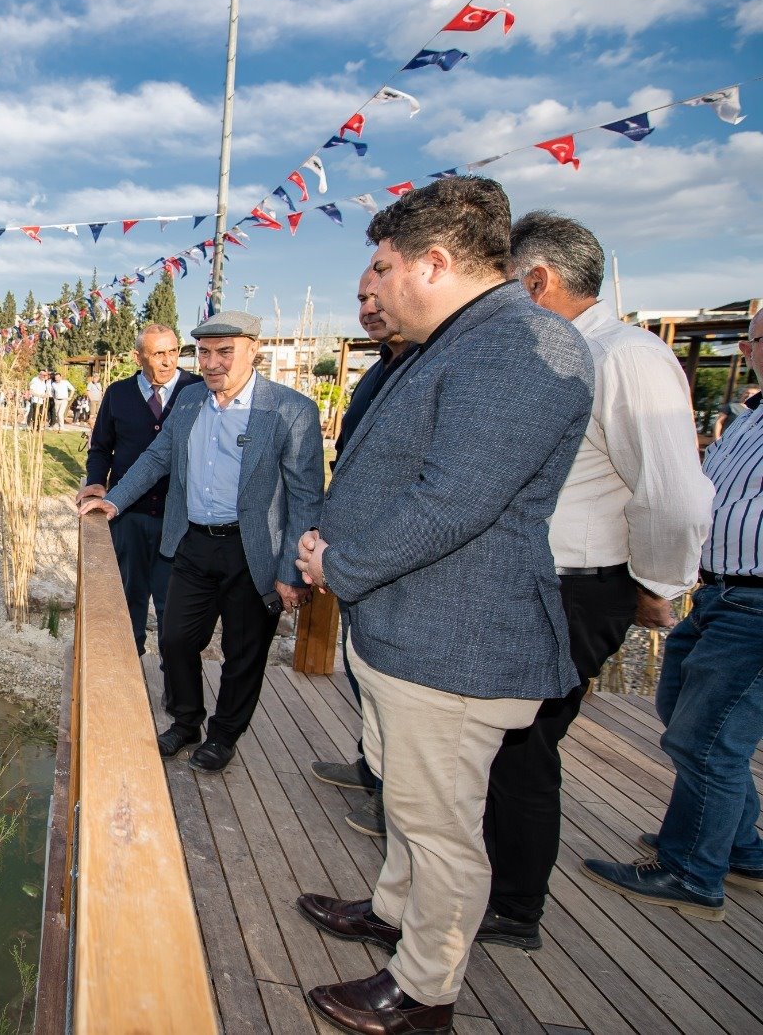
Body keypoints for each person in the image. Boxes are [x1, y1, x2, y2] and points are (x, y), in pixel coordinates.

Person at [292, 176, 593, 1035]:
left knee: (441, 827)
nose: (374, 291)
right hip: (407, 630)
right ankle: (394, 912)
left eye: (382, 270)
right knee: (406, 799)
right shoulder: (462, 340)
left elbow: (451, 503)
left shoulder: (524, 346)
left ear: (433, 262)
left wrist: (338, 564)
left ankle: (424, 990)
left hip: (454, 638)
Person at [472, 212, 713, 950]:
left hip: (574, 585)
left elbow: (673, 494)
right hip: (540, 582)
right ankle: (491, 885)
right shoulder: (565, 352)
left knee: (523, 746)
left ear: (537, 281)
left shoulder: (626, 357)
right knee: (499, 742)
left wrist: (657, 583)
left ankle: (514, 908)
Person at [80, 310, 323, 773]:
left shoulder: (291, 410)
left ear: (254, 350)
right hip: (192, 543)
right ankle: (186, 721)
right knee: (175, 638)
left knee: (243, 651)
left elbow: (307, 497)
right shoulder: (190, 402)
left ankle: (224, 736)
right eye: (206, 352)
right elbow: (156, 458)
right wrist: (113, 502)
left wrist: (293, 572)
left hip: (254, 552)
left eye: (224, 352)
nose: (212, 363)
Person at [582, 307, 763, 921]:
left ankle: (693, 870)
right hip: (719, 592)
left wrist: (657, 579)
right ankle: (736, 845)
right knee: (684, 713)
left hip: (757, 602)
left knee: (707, 736)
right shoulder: (746, 420)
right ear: (748, 346)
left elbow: (681, 496)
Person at [307, 273, 419, 838]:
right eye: (359, 300)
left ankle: (395, 799)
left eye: (377, 297)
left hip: (396, 557)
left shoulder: (428, 367)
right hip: (356, 552)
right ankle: (374, 770)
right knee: (364, 672)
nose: (368, 309)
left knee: (393, 686)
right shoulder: (380, 372)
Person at [77, 323, 202, 658]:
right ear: (138, 356)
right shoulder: (118, 393)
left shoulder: (199, 391)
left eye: (173, 351)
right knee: (127, 601)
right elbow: (100, 447)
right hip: (127, 515)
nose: (168, 361)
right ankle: (127, 675)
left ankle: (173, 685)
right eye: (158, 353)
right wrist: (95, 480)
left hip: (178, 520)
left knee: (172, 607)